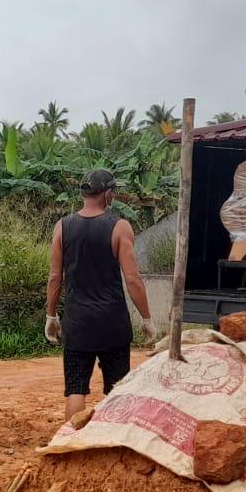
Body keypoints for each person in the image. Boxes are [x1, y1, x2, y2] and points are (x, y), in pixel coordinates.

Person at [45, 168, 155, 427]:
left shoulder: (62, 227)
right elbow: (132, 278)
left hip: (77, 322)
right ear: (106, 194)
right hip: (111, 322)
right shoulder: (120, 227)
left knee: (76, 389)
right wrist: (147, 318)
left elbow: (54, 277)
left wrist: (51, 315)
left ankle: (73, 439)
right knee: (117, 388)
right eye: (112, 191)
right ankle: (113, 437)